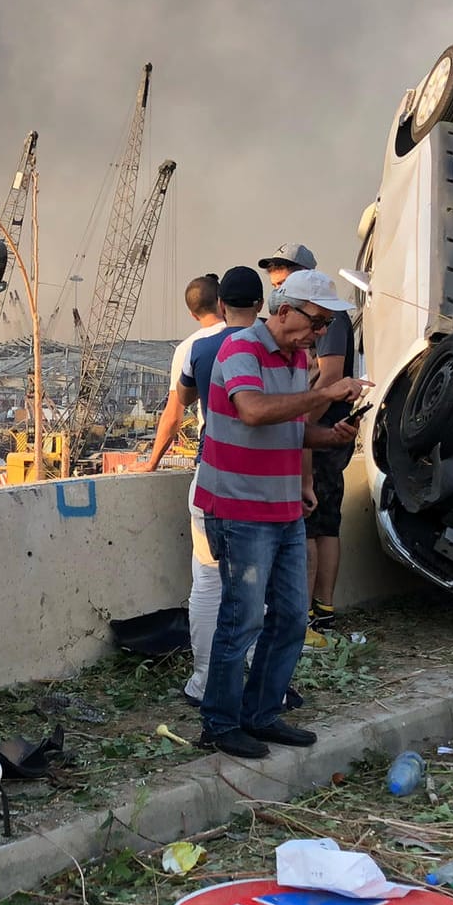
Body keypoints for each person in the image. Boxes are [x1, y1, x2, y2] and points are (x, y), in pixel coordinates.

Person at [196, 278, 369, 758]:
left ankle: (261, 713)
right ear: (285, 310)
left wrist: (329, 436)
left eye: (327, 324)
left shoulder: (297, 359)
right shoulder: (240, 349)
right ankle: (220, 723)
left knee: (292, 616)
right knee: (242, 620)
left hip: (283, 508)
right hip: (238, 508)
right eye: (316, 321)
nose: (320, 332)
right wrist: (326, 394)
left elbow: (289, 428)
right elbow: (253, 411)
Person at [170, 267, 266, 705]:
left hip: (212, 477)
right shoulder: (282, 347)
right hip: (267, 481)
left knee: (208, 581)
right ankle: (262, 683)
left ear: (220, 306)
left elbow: (180, 405)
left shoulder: (201, 348)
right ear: (262, 306)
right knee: (258, 585)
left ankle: (205, 681)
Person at [278, 269, 360, 634]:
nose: (320, 331)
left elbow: (329, 378)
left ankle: (310, 620)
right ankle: (317, 616)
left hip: (318, 436)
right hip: (320, 436)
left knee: (314, 527)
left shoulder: (329, 322)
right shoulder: (286, 349)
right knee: (322, 523)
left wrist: (302, 429)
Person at [138, 274, 225, 474]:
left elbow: (173, 415)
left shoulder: (189, 347)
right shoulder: (249, 334)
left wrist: (152, 463)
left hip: (213, 449)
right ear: (222, 302)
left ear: (193, 315)